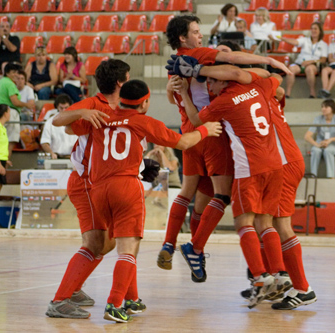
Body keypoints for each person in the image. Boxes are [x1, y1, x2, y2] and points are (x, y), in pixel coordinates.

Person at [67, 79, 221, 322]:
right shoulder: (144, 121)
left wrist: (81, 112)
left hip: (97, 189)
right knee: (128, 249)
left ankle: (130, 299)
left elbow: (65, 127)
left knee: (122, 246)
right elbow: (182, 142)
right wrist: (205, 130)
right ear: (145, 102)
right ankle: (114, 304)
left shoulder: (101, 118)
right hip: (125, 187)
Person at [158, 15, 290, 283]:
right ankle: (199, 249)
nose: (201, 36)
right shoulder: (202, 59)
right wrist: (269, 62)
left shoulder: (175, 65)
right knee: (229, 201)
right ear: (183, 38)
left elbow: (174, 97)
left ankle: (172, 245)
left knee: (194, 196)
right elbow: (239, 68)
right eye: (196, 31)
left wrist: (173, 90)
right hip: (213, 133)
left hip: (189, 134)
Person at [45, 59, 131, 319]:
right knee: (95, 243)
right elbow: (58, 120)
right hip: (85, 182)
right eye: (128, 77)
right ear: (119, 82)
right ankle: (60, 301)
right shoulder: (93, 104)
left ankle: (75, 287)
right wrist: (81, 113)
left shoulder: (123, 107)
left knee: (107, 244)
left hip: (102, 183)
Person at [240, 86, 316, 309]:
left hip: (282, 164)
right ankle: (274, 282)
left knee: (279, 225)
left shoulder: (246, 97)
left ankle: (302, 288)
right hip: (281, 162)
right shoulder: (264, 93)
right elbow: (280, 90)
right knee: (264, 222)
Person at [0, 62, 35, 159]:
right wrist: (27, 104)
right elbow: (15, 102)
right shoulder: (10, 84)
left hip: (1, 112)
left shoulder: (0, 82)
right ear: (7, 73)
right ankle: (4, 165)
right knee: (10, 141)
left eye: (16, 72)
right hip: (11, 113)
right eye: (13, 72)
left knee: (1, 141)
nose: (15, 75)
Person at [277, 22, 327, 98]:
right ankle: (287, 93)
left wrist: (311, 61)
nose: (313, 30)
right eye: (312, 28)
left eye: (315, 29)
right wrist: (282, 38)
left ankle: (312, 93)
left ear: (320, 31)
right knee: (290, 69)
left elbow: (323, 60)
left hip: (313, 64)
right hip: (300, 63)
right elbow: (295, 42)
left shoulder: (323, 44)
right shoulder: (305, 40)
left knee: (309, 69)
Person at [304, 99, 335, 178]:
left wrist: (330, 140)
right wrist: (316, 144)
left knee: (328, 150)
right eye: (322, 107)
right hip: (320, 144)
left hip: (333, 145)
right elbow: (307, 136)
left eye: (326, 107)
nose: (323, 109)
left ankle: (331, 176)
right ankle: (313, 176)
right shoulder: (318, 119)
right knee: (315, 151)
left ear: (332, 109)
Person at [40, 94, 75, 159]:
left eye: (66, 108)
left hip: (73, 157)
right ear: (57, 107)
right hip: (56, 156)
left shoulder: (76, 121)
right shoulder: (50, 122)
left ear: (70, 106)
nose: (64, 110)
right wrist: (51, 153)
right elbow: (44, 142)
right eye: (61, 108)